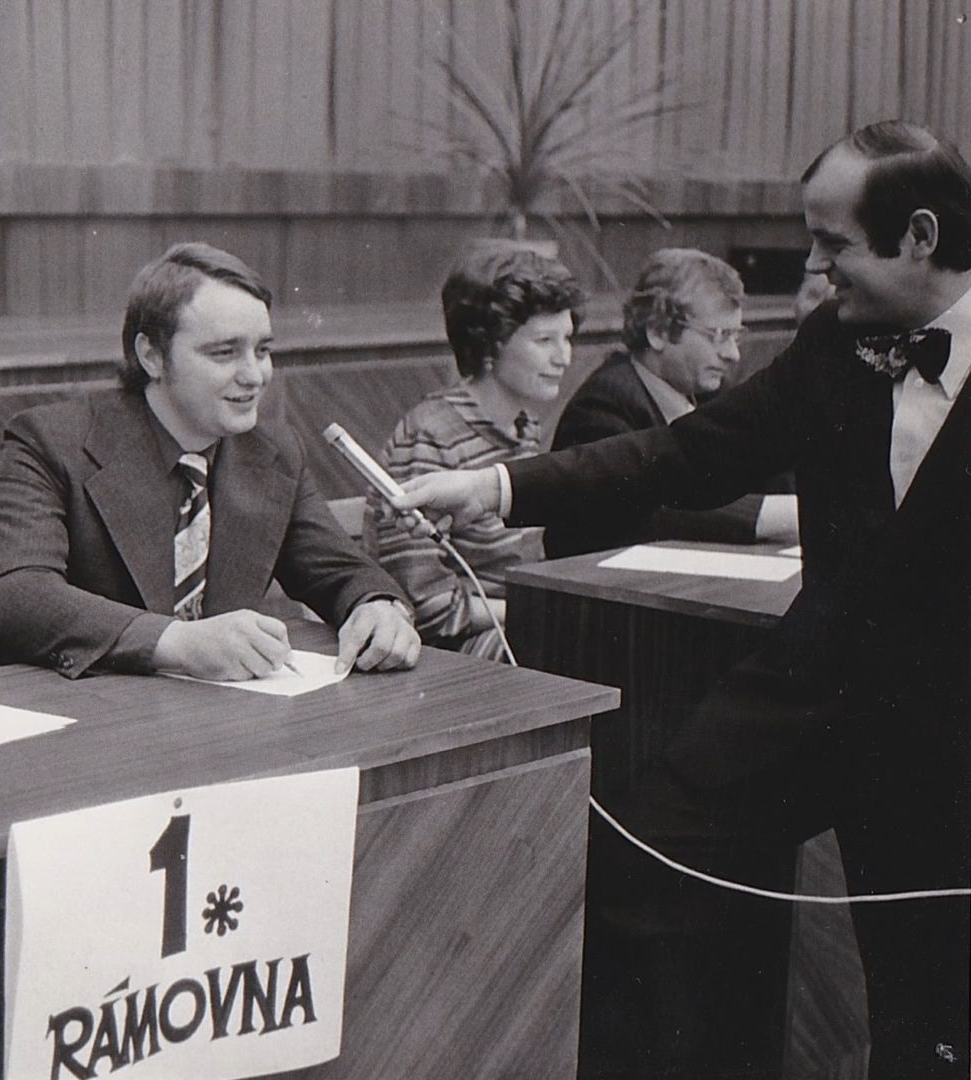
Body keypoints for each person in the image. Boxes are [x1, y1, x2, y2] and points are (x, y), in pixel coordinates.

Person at [392, 120, 970, 1078]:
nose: (814, 271)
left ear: (919, 237)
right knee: (647, 860)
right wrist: (497, 485)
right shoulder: (834, 340)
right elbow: (685, 455)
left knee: (926, 1013)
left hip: (950, 741)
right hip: (814, 694)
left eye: (831, 245)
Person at [0, 242, 420, 680]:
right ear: (152, 355)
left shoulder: (274, 451)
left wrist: (376, 606)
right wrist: (175, 642)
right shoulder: (51, 441)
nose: (254, 375)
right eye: (224, 353)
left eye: (263, 351)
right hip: (94, 712)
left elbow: (341, 571)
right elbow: (11, 595)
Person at [368, 242, 584, 660]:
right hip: (451, 654)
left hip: (514, 631)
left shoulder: (523, 427)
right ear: (490, 343)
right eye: (545, 340)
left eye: (567, 337)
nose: (564, 357)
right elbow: (428, 607)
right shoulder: (429, 436)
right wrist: (545, 611)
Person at [543, 248, 799, 558]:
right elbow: (647, 514)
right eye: (718, 335)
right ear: (658, 331)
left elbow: (772, 465)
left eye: (736, 336)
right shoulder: (602, 406)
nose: (733, 354)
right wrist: (778, 514)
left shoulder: (710, 393)